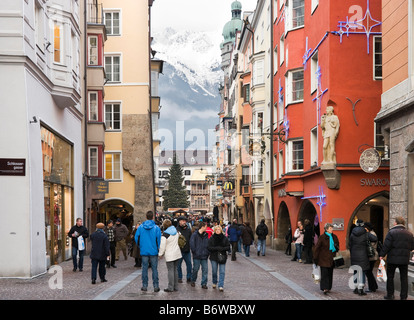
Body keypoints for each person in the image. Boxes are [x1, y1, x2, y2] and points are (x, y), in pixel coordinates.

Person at [380, 216, 414, 300]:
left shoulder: (391, 232)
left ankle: (390, 295)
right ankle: (403, 296)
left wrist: (382, 255)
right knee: (404, 278)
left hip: (392, 259)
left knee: (390, 277)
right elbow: (412, 247)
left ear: (395, 223)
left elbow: (386, 245)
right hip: (404, 259)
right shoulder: (409, 234)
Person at [135, 211, 162, 292]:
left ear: (146, 217)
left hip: (144, 250)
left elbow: (136, 238)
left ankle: (145, 285)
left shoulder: (140, 227)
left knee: (144, 268)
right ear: (153, 217)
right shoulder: (156, 228)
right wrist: (158, 247)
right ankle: (156, 286)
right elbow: (159, 239)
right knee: (154, 269)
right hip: (153, 250)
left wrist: (140, 246)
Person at [349, 219, 377, 296]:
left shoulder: (352, 233)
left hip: (354, 255)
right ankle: (361, 289)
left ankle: (355, 288)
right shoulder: (365, 233)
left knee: (356, 271)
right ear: (362, 224)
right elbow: (375, 239)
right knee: (362, 272)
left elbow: (350, 244)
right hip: (363, 255)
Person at [313, 223, 339, 294]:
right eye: (330, 228)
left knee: (330, 273)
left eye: (332, 228)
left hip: (331, 258)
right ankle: (324, 288)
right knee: (324, 274)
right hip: (323, 258)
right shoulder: (322, 237)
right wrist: (315, 257)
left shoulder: (334, 237)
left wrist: (336, 247)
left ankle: (329, 287)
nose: (332, 229)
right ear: (326, 229)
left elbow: (337, 245)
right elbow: (317, 248)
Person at [159, 219, 182, 292]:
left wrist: (160, 254)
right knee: (175, 270)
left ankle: (170, 287)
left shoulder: (165, 235)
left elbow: (162, 246)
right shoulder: (176, 232)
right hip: (177, 253)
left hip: (170, 254)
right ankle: (175, 286)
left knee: (170, 271)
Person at [208, 225, 230, 291]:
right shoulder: (212, 238)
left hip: (222, 256)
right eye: (216, 230)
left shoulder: (224, 238)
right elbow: (209, 247)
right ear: (215, 230)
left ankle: (221, 285)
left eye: (219, 229)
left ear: (221, 230)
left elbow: (228, 247)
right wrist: (216, 248)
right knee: (214, 271)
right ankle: (214, 282)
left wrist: (222, 249)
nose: (218, 231)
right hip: (213, 256)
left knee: (222, 271)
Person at [190, 221, 209, 289]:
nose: (206, 228)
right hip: (197, 256)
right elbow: (192, 244)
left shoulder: (206, 235)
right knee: (195, 269)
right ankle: (193, 280)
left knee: (205, 270)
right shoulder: (194, 235)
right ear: (202, 227)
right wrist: (195, 252)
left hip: (204, 255)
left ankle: (204, 283)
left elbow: (208, 244)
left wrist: (207, 252)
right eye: (206, 227)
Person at [176, 216, 193, 283]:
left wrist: (190, 247)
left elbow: (191, 239)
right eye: (183, 221)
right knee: (178, 265)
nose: (184, 222)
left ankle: (189, 277)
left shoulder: (188, 230)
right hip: (179, 251)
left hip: (187, 250)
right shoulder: (176, 230)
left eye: (185, 221)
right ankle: (179, 277)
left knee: (189, 265)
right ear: (179, 221)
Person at [364, 222, 379, 292]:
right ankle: (374, 286)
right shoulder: (372, 233)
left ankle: (372, 288)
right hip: (373, 256)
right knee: (369, 271)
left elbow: (371, 245)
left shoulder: (371, 234)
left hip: (372, 256)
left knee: (368, 272)